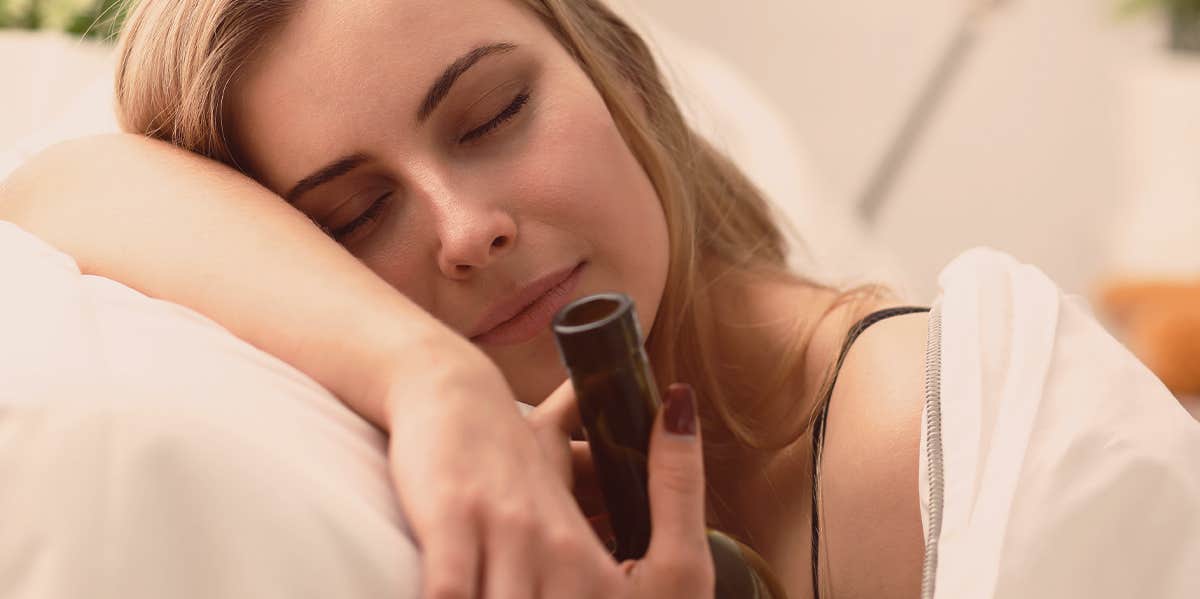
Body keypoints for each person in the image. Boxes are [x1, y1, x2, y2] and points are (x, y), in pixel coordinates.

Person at [0, 0, 934, 597]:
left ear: (619, 75)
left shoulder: (921, 437)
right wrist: (432, 377)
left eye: (493, 114)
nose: (463, 229)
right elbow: (55, 187)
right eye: (356, 215)